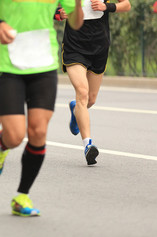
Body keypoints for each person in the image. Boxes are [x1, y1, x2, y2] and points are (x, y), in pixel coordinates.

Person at [0, 0, 83, 216]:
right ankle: (0, 144)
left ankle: (22, 194)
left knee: (38, 131)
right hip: (10, 64)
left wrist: (79, 4)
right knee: (14, 137)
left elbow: (76, 22)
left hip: (44, 65)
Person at [62, 0, 131, 165]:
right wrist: (59, 13)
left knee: (90, 100)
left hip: (99, 47)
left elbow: (127, 5)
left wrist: (107, 7)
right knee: (83, 92)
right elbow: (48, 6)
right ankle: (88, 145)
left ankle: (76, 110)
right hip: (74, 45)